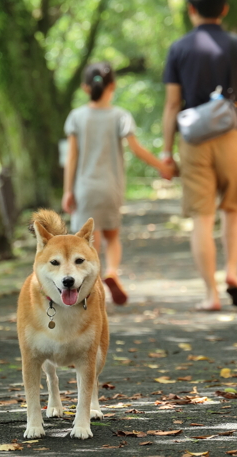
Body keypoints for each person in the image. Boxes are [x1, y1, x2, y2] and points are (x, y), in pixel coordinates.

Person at [161, 0, 237, 311]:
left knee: (202, 218)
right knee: (234, 209)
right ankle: (233, 272)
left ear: (191, 10)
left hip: (194, 139)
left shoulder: (178, 49)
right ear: (224, 9)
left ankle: (211, 294)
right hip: (235, 135)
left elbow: (171, 105)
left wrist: (166, 152)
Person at [62, 61, 173, 305]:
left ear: (84, 88)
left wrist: (67, 191)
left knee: (89, 241)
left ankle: (95, 284)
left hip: (84, 188)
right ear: (113, 85)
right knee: (112, 236)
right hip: (111, 188)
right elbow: (136, 148)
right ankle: (112, 272)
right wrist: (162, 166)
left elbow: (71, 157)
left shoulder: (76, 117)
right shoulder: (120, 115)